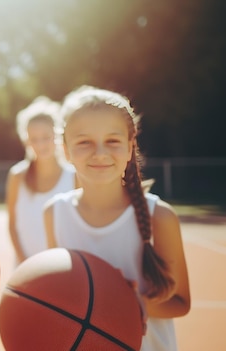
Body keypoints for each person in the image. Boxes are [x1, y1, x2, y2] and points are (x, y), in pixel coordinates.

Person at [44, 86, 191, 351]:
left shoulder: (160, 216)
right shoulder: (54, 213)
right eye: (84, 142)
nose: (100, 153)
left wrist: (133, 304)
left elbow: (181, 302)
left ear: (130, 147)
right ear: (65, 151)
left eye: (112, 141)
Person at [5, 96, 75, 264]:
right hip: (25, 268)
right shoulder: (17, 175)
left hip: (63, 268)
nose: (40, 145)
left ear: (57, 136)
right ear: (26, 140)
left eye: (46, 137)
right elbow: (12, 225)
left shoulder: (74, 176)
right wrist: (24, 262)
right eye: (34, 139)